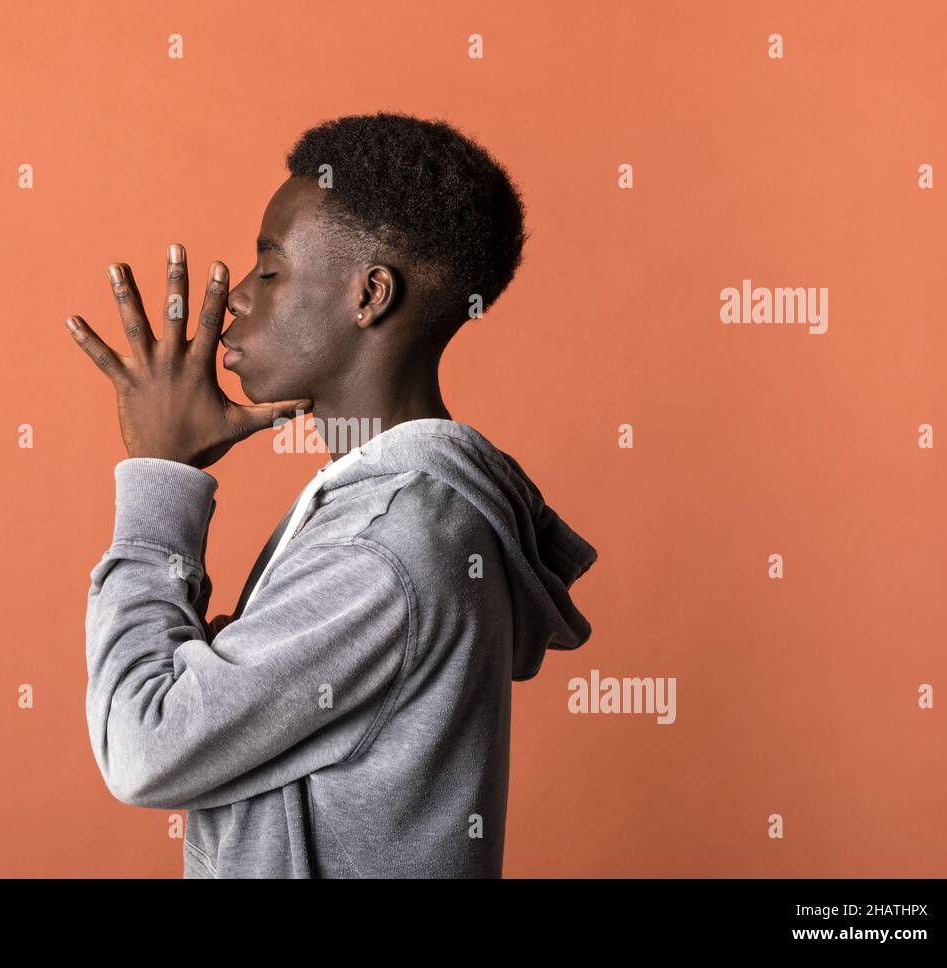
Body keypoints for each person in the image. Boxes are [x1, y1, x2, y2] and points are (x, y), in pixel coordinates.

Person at [67, 111, 598, 877]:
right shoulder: (403, 512)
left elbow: (145, 745)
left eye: (270, 269)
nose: (239, 298)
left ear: (370, 294)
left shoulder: (383, 544)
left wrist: (161, 477)